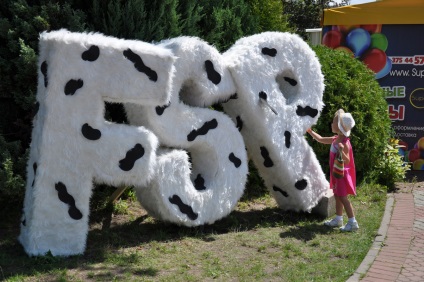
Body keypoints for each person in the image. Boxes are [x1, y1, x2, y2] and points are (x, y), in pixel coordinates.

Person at [307, 109, 358, 232]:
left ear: (339, 127)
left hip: (342, 175)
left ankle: (352, 222)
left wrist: (341, 151)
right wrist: (310, 131)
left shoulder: (344, 143)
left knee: (343, 197)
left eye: (334, 121)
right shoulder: (336, 139)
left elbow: (347, 161)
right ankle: (338, 219)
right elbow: (320, 139)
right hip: (336, 173)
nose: (331, 123)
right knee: (337, 196)